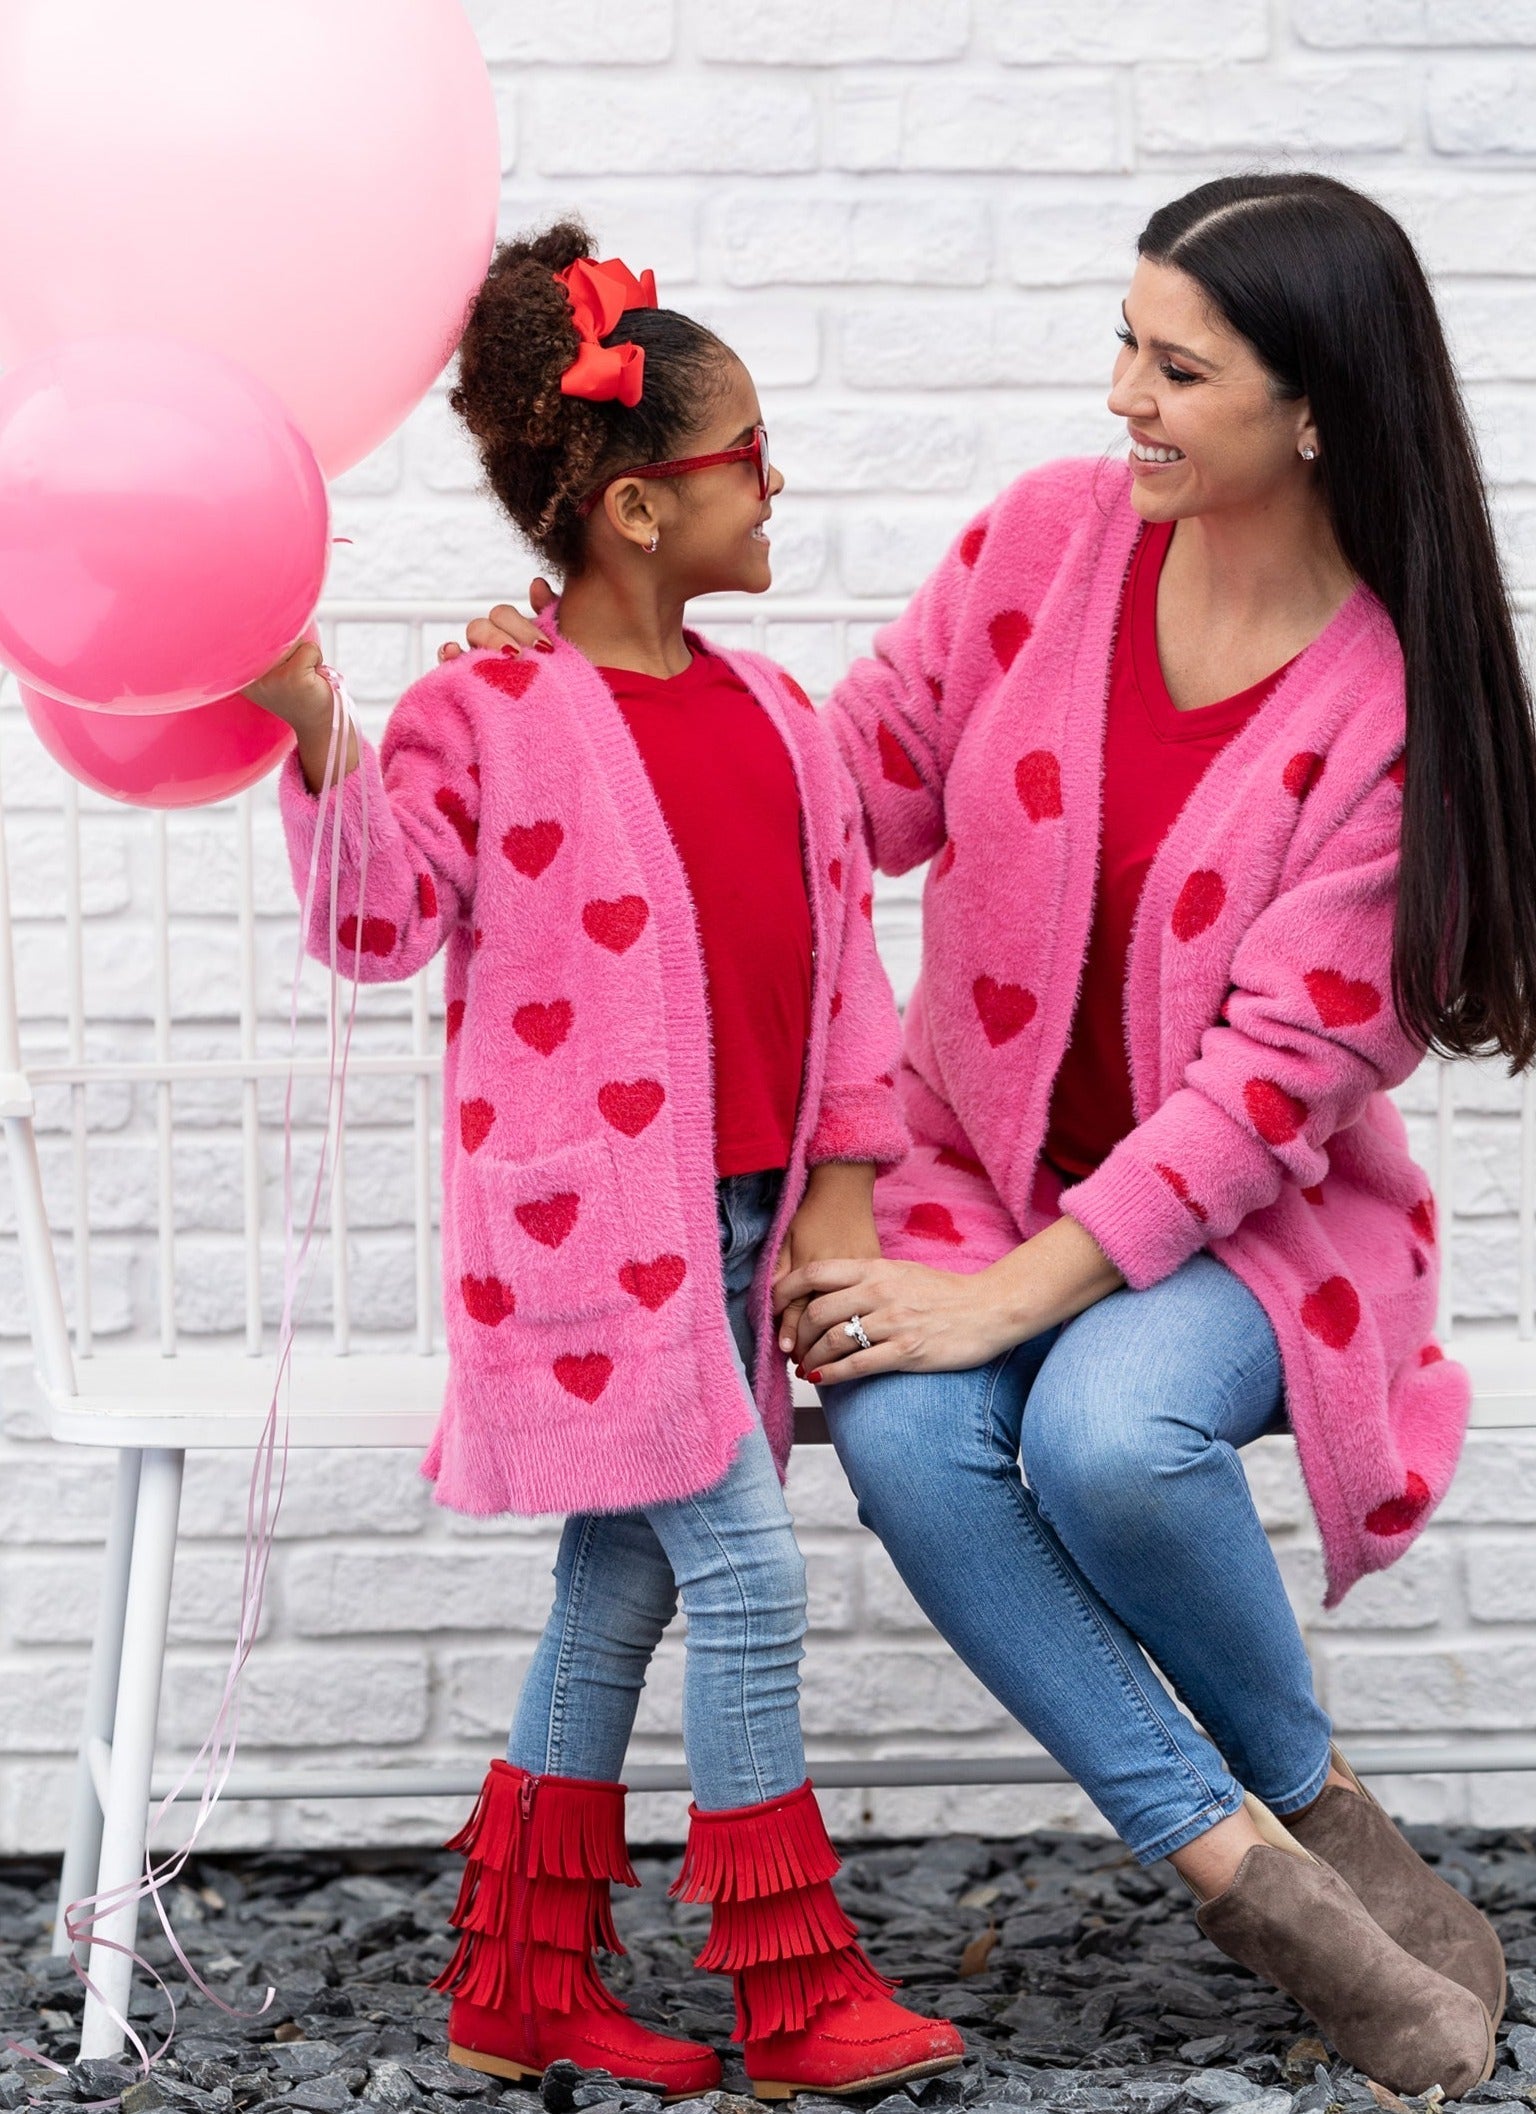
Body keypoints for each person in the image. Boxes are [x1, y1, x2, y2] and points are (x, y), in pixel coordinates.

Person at [455, 174, 1536, 2096]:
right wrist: (587, 691)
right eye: (1122, 343)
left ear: (1311, 409)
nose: (1119, 395)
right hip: (977, 1178)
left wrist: (1004, 1304)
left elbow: (1262, 1102)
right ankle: (1254, 1878)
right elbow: (836, 786)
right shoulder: (1046, 545)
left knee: (1104, 1436)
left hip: (1254, 1224)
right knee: (897, 1418)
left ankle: (1325, 1808)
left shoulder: (1387, 706)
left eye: (1175, 365)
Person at [247, 221, 963, 2102]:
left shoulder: (782, 722)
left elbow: (846, 992)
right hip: (589, 1240)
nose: (777, 482)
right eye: (747, 457)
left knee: (619, 1588)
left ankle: (518, 1981)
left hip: (728, 1231)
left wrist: (837, 1196)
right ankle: (789, 1996)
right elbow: (379, 922)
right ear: (642, 509)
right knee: (748, 1582)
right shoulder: (485, 712)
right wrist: (322, 729)